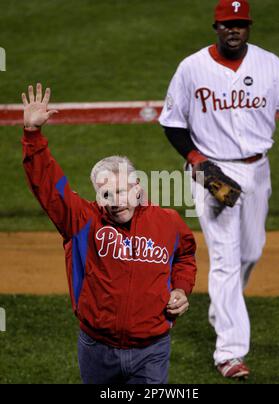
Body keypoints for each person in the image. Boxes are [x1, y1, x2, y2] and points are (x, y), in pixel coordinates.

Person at [159, 0, 279, 379]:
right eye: (227, 25)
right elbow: (171, 122)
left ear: (248, 27)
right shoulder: (192, 68)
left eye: (240, 24)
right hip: (213, 172)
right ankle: (229, 353)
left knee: (251, 251)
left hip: (258, 170)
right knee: (224, 258)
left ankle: (222, 308)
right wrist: (196, 159)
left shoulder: (270, 65)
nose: (234, 30)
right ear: (215, 28)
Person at [21, 83, 197, 384]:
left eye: (121, 190)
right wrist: (33, 135)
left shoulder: (167, 222)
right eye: (105, 194)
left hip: (151, 349)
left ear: (137, 187)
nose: (115, 200)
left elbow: (185, 255)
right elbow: (48, 187)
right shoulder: (82, 221)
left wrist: (181, 289)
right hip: (96, 349)